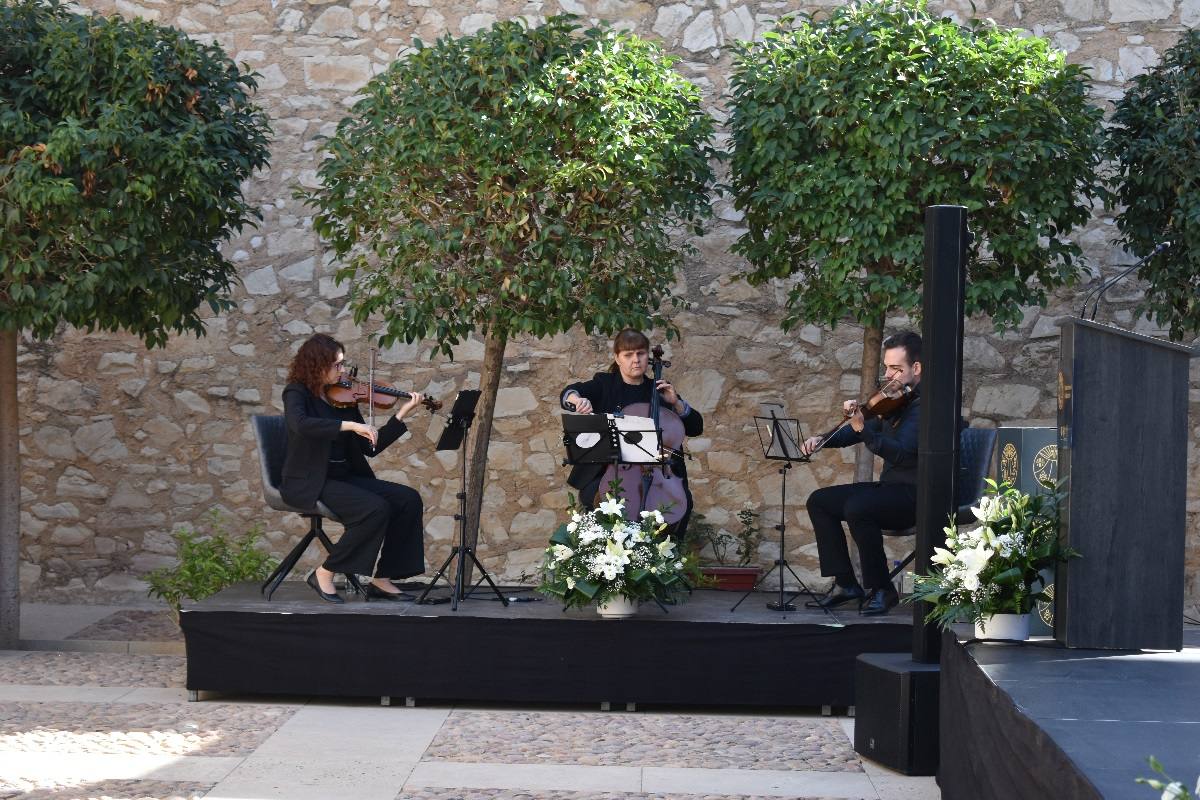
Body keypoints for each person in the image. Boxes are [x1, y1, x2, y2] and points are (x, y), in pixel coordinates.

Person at [281, 333, 426, 604]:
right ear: (316, 364)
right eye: (337, 365)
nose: (343, 370)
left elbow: (369, 448)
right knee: (374, 508)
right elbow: (300, 425)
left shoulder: (343, 398)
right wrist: (349, 425)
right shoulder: (296, 393)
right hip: (311, 480)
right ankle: (324, 573)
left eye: (343, 364)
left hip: (345, 476)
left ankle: (383, 578)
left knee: (407, 499)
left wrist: (401, 413)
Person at [800, 331, 922, 617]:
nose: (889, 375)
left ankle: (882, 589)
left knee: (859, 506)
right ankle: (846, 584)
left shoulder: (926, 408)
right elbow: (862, 432)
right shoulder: (896, 402)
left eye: (897, 369)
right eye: (887, 368)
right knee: (819, 501)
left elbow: (901, 453)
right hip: (889, 490)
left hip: (915, 495)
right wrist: (823, 439)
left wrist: (862, 428)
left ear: (916, 368)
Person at [560, 329, 704, 535]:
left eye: (640, 353)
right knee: (598, 500)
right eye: (628, 355)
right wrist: (577, 400)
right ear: (617, 358)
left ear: (647, 356)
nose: (635, 360)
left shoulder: (661, 391)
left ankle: (666, 560)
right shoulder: (605, 384)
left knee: (683, 502)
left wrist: (677, 404)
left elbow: (695, 427)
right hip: (612, 472)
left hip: (658, 475)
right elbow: (568, 393)